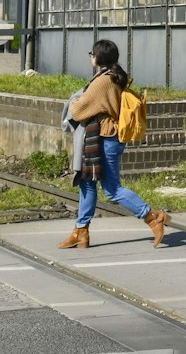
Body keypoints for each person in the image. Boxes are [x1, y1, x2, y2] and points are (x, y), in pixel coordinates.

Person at [60, 38, 170, 250]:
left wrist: (74, 100)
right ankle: (80, 231)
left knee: (112, 190)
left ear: (97, 58)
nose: (91, 57)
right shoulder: (113, 76)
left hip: (106, 138)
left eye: (92, 54)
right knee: (87, 182)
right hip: (104, 137)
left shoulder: (102, 81)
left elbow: (79, 110)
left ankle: (153, 217)